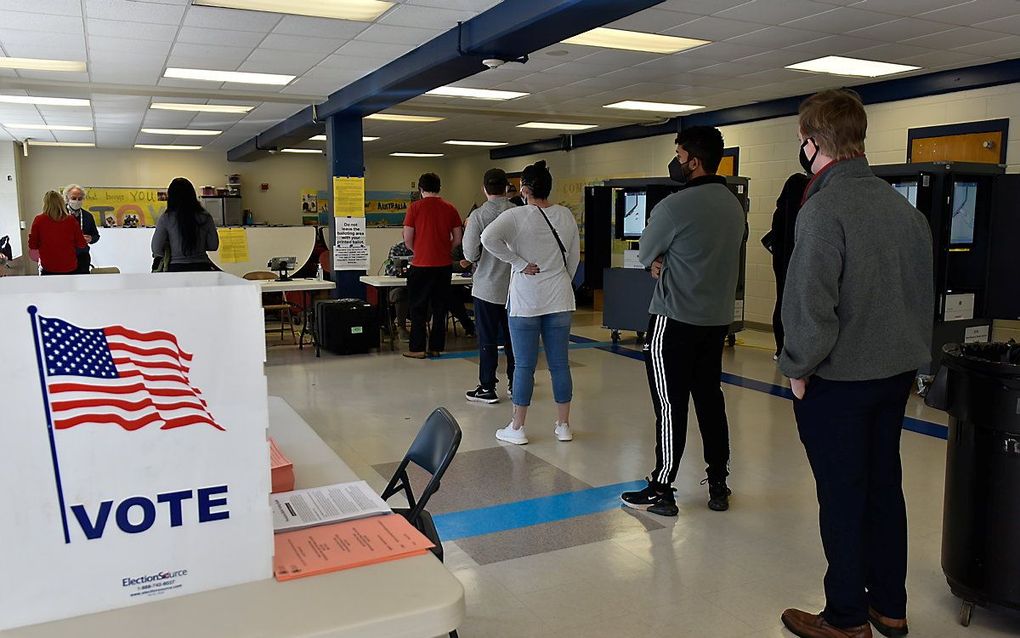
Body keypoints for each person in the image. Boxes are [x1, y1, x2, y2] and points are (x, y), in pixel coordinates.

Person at [778, 89, 934, 638]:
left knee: (841, 497)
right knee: (883, 488)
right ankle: (889, 605)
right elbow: (921, 296)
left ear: (812, 144)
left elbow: (809, 302)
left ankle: (845, 617)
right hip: (894, 379)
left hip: (838, 382)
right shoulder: (904, 210)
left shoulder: (823, 210)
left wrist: (798, 368)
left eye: (802, 141)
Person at [620, 126, 745, 517]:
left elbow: (645, 253)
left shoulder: (674, 206)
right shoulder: (733, 205)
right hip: (715, 321)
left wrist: (660, 261)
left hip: (673, 321)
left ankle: (663, 486)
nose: (676, 161)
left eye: (678, 154)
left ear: (693, 159)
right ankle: (719, 482)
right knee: (710, 399)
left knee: (670, 406)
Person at [481, 160, 578, 444]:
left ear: (524, 189)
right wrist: (559, 280)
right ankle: (563, 426)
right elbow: (572, 259)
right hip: (559, 298)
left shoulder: (517, 216)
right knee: (560, 364)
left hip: (526, 300)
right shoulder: (565, 215)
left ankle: (518, 427)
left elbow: (488, 238)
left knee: (524, 365)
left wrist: (519, 263)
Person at [462, 168, 516, 404]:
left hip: (486, 287)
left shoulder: (478, 217)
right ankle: (517, 384)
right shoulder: (520, 213)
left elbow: (470, 253)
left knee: (488, 339)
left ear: (484, 189)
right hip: (516, 288)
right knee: (515, 339)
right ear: (506, 188)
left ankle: (487, 387)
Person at [401, 172, 463, 359]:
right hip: (443, 265)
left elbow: (407, 238)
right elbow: (458, 238)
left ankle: (417, 348)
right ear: (439, 188)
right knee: (440, 307)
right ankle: (437, 347)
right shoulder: (450, 208)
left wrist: (418, 250)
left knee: (418, 307)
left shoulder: (414, 208)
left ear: (420, 189)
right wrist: (444, 249)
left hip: (420, 265)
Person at [765, 172, 810, 360]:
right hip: (796, 261)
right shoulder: (806, 210)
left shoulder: (781, 211)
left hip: (782, 262)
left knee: (782, 302)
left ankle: (781, 348)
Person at [151, 177, 220, 272]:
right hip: (202, 268)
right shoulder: (205, 217)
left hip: (176, 269)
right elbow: (213, 246)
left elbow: (156, 248)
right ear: (192, 195)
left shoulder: (166, 218)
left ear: (171, 197)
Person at [28, 190, 87, 275]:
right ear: (62, 203)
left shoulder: (39, 220)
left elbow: (32, 245)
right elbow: (81, 244)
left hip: (48, 267)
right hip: (69, 267)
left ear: (45, 204)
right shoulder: (71, 220)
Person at [62, 184, 99, 274]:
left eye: (80, 198)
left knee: (83, 285)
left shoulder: (87, 216)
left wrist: (90, 238)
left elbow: (96, 236)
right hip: (63, 257)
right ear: (67, 199)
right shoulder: (61, 215)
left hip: (82, 257)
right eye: (73, 198)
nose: (77, 201)